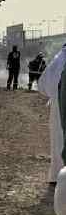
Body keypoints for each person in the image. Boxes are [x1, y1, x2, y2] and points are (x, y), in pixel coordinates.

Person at [39, 44, 66, 184]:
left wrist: (54, 95)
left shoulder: (58, 59)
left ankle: (57, 175)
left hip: (58, 105)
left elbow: (42, 85)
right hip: (60, 102)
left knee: (58, 140)